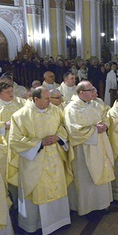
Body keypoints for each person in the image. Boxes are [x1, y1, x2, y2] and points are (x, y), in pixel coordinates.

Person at [9, 86, 72, 234]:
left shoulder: (55, 111)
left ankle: (60, 221)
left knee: (56, 187)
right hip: (34, 161)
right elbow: (15, 141)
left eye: (50, 98)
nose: (50, 102)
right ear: (35, 99)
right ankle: (35, 225)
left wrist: (58, 137)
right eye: (46, 99)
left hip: (55, 157)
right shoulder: (20, 116)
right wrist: (39, 143)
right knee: (38, 192)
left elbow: (63, 127)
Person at [64, 81, 115, 217]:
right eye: (91, 90)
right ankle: (89, 208)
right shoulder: (72, 108)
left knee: (102, 170)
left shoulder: (95, 104)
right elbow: (73, 131)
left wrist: (105, 125)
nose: (94, 92)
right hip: (84, 149)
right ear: (81, 92)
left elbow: (105, 116)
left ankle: (103, 204)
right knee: (86, 178)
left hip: (100, 145)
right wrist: (94, 130)